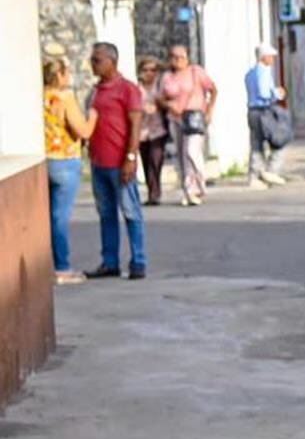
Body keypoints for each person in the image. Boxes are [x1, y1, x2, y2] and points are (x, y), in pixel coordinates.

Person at [86, 42, 148, 280]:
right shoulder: (95, 91)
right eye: (92, 60)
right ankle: (110, 261)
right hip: (99, 162)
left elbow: (135, 125)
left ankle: (138, 260)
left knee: (131, 211)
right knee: (106, 214)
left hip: (120, 161)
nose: (93, 65)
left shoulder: (127, 89)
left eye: (97, 60)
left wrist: (131, 157)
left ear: (113, 61)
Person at [43, 57, 94, 285]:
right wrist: (93, 117)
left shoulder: (40, 97)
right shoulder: (65, 97)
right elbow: (83, 131)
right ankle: (62, 267)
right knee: (61, 217)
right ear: (60, 75)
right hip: (65, 159)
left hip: (44, 160)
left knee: (48, 216)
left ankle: (49, 264)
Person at [158, 44, 216, 206]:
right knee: (182, 155)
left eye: (181, 57)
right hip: (176, 118)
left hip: (194, 116)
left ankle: (199, 183)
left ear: (187, 58)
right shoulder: (167, 77)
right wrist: (169, 105)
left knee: (191, 151)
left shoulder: (195, 72)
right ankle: (188, 190)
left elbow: (213, 89)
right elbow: (161, 97)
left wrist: (209, 110)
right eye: (174, 57)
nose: (177, 61)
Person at [245, 43, 288, 188]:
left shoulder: (250, 73)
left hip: (252, 111)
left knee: (256, 145)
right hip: (263, 111)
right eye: (270, 56)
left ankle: (254, 176)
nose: (272, 59)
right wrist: (277, 93)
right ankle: (271, 170)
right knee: (279, 140)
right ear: (264, 57)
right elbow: (264, 93)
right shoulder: (263, 71)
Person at [136, 56, 169, 205]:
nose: (149, 73)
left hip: (158, 129)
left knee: (156, 161)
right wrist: (142, 109)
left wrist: (160, 104)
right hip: (142, 131)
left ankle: (155, 193)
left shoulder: (161, 86)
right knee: (145, 161)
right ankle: (151, 193)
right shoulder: (137, 88)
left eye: (153, 70)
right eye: (146, 70)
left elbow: (169, 102)